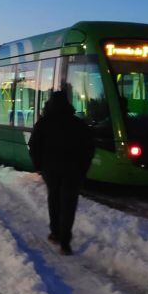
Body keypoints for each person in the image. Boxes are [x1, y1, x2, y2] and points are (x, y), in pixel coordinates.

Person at [28, 91, 96, 255]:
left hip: (50, 170)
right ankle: (65, 243)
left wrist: (38, 166)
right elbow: (89, 149)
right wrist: (83, 169)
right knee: (69, 204)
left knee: (54, 198)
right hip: (73, 171)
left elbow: (33, 146)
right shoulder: (79, 124)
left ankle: (55, 232)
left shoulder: (43, 123)